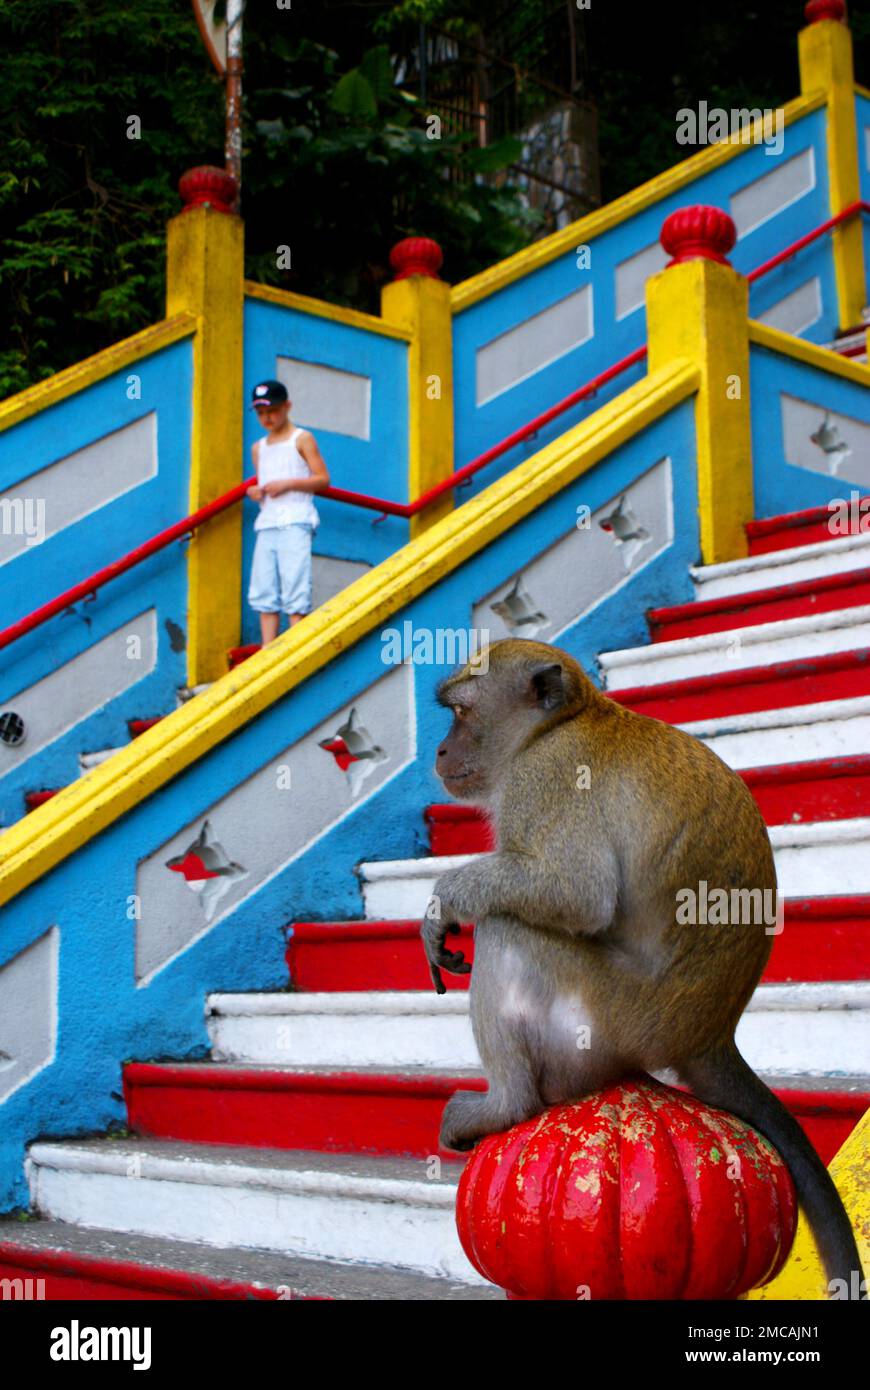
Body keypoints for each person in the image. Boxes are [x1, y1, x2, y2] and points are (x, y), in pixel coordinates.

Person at [246, 379, 331, 645]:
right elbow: (263, 481)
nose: (267, 418)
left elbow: (323, 479)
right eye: (261, 413)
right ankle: (268, 648)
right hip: (268, 521)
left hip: (295, 519)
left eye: (272, 410)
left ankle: (295, 647)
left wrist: (288, 484)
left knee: (295, 585)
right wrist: (257, 491)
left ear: (287, 406)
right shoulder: (259, 448)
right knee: (264, 588)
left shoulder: (302, 438)